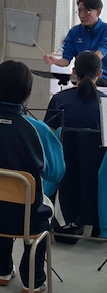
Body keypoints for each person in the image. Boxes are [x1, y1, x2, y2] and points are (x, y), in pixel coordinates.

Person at [0, 61, 65, 293]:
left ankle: (1, 269)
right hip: (26, 218)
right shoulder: (39, 130)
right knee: (33, 204)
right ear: (26, 93)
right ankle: (32, 279)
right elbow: (57, 172)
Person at [44, 51, 107, 239]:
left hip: (66, 173)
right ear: (100, 73)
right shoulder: (104, 103)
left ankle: (65, 219)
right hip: (98, 175)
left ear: (74, 72)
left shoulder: (59, 99)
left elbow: (48, 137)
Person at [43, 0, 107, 85]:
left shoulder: (105, 30)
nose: (82, 15)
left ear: (98, 12)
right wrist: (55, 60)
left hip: (103, 78)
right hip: (81, 79)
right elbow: (66, 60)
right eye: (80, 11)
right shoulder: (74, 32)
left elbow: (99, 54)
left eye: (87, 11)